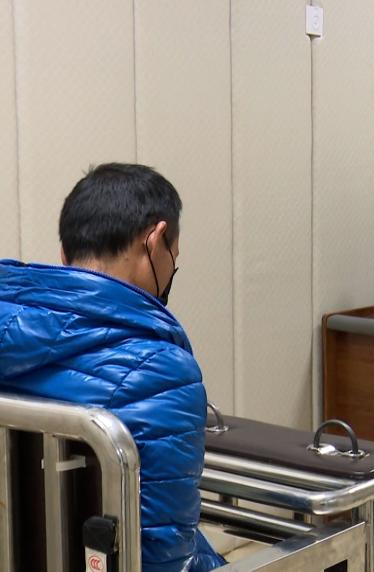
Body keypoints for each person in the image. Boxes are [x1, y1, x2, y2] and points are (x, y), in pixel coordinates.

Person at [0, 163, 226, 571]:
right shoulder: (163, 372)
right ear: (155, 241)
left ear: (65, 254)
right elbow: (161, 558)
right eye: (174, 255)